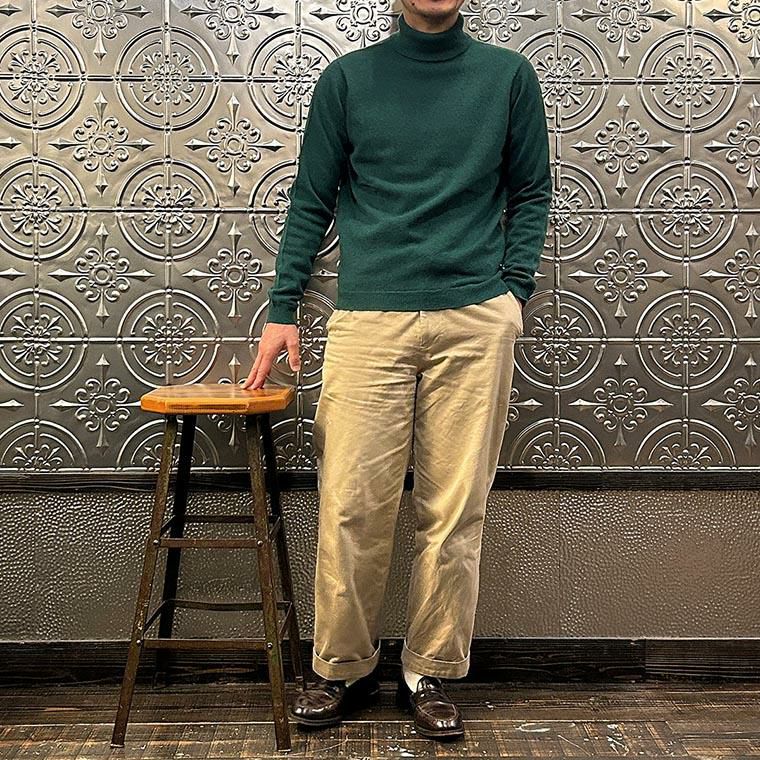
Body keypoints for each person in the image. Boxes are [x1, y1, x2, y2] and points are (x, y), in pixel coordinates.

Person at [244, 0, 552, 741]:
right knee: (353, 504)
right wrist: (283, 307)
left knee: (455, 511)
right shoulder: (348, 80)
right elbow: (311, 198)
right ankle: (342, 665)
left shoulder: (508, 77)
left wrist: (512, 292)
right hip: (369, 319)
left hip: (474, 318)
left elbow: (531, 191)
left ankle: (432, 669)